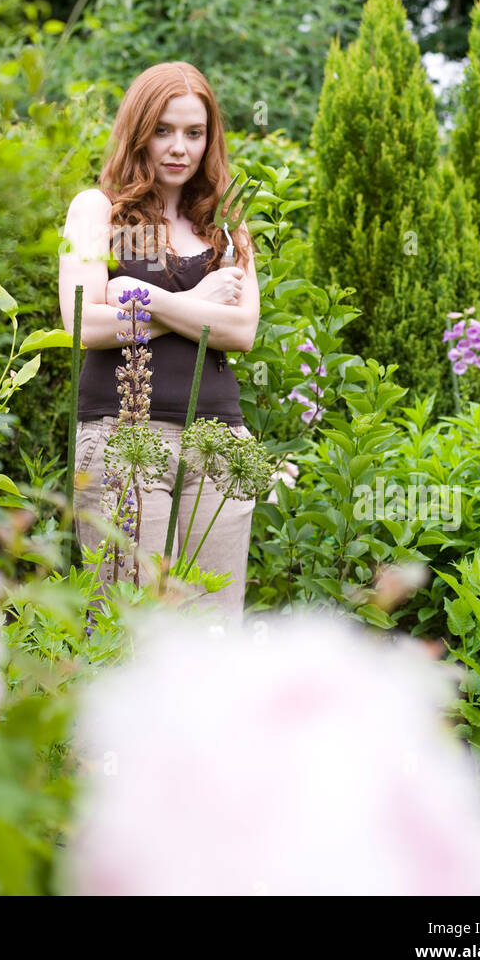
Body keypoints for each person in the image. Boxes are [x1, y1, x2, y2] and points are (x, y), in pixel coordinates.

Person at [58, 61, 295, 626]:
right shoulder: (100, 210)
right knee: (125, 631)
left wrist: (142, 295)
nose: (178, 148)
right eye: (163, 129)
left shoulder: (225, 225)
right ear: (138, 128)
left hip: (220, 444)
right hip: (124, 436)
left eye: (194, 132)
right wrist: (205, 300)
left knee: (209, 637)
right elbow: (81, 327)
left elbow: (240, 332)